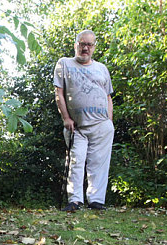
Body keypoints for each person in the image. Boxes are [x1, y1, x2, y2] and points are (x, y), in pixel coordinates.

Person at [53, 30, 114, 211]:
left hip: (102, 126)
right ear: (75, 45)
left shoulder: (102, 68)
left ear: (94, 47)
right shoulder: (64, 63)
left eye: (89, 45)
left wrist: (109, 121)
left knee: (99, 164)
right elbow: (59, 93)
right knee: (76, 162)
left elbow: (108, 97)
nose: (85, 48)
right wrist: (66, 118)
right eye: (82, 44)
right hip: (77, 127)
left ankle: (96, 201)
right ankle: (75, 200)